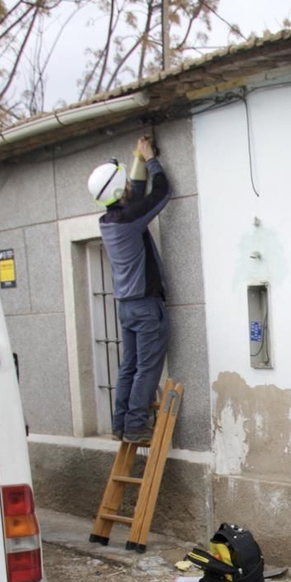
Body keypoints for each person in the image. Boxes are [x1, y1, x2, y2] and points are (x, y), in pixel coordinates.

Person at [97, 132, 174, 444]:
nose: (129, 185)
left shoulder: (111, 219)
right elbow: (162, 194)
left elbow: (136, 197)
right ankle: (136, 426)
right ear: (119, 190)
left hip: (126, 307)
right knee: (147, 367)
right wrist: (151, 159)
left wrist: (138, 159)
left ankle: (121, 424)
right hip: (144, 306)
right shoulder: (129, 219)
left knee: (128, 366)